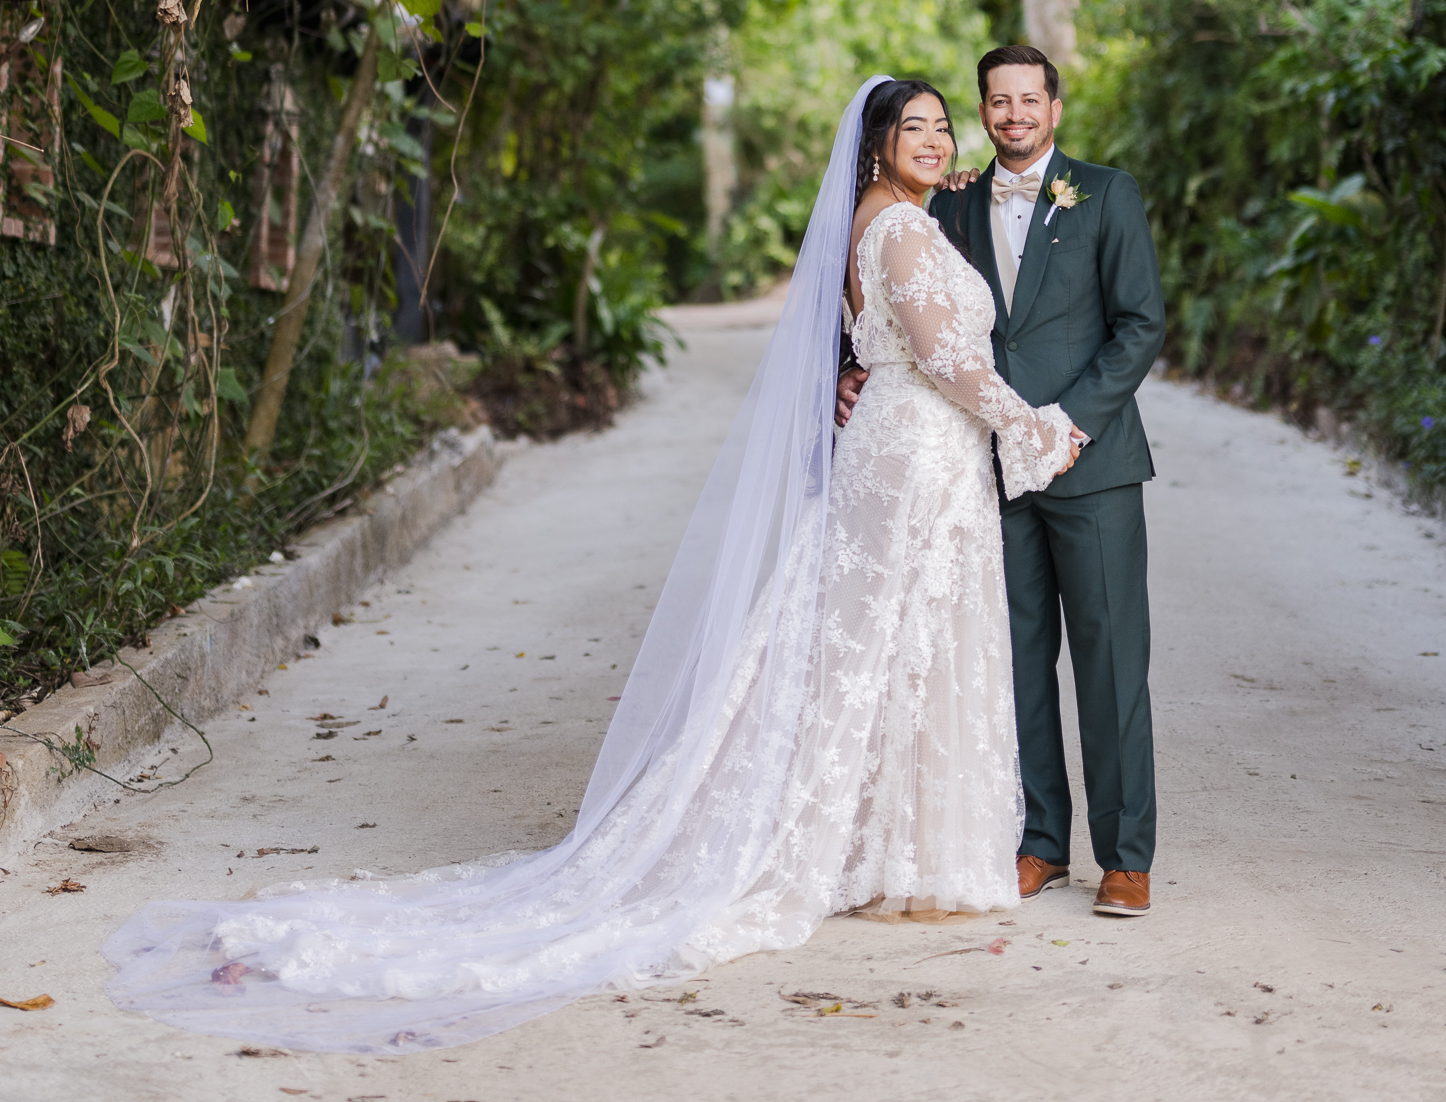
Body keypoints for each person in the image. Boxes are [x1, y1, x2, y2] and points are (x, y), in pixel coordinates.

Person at [104, 76, 1078, 1057]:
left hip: (907, 452)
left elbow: (888, 313)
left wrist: (944, 198)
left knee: (876, 648)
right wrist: (1031, 421)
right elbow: (947, 360)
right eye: (914, 128)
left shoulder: (882, 218)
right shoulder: (900, 230)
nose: (936, 139)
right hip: (914, 454)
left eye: (942, 126)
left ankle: (881, 846)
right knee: (889, 647)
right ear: (875, 145)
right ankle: (887, 852)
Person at [841, 44, 1165, 918]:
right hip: (986, 471)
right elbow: (899, 298)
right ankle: (1040, 843)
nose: (1013, 115)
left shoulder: (1109, 193)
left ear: (1054, 109)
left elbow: (1139, 326)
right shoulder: (949, 204)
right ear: (987, 112)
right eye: (997, 101)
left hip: (1090, 465)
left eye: (1029, 100)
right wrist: (850, 364)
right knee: (1012, 660)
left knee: (1108, 662)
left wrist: (1063, 426)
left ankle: (1126, 856)